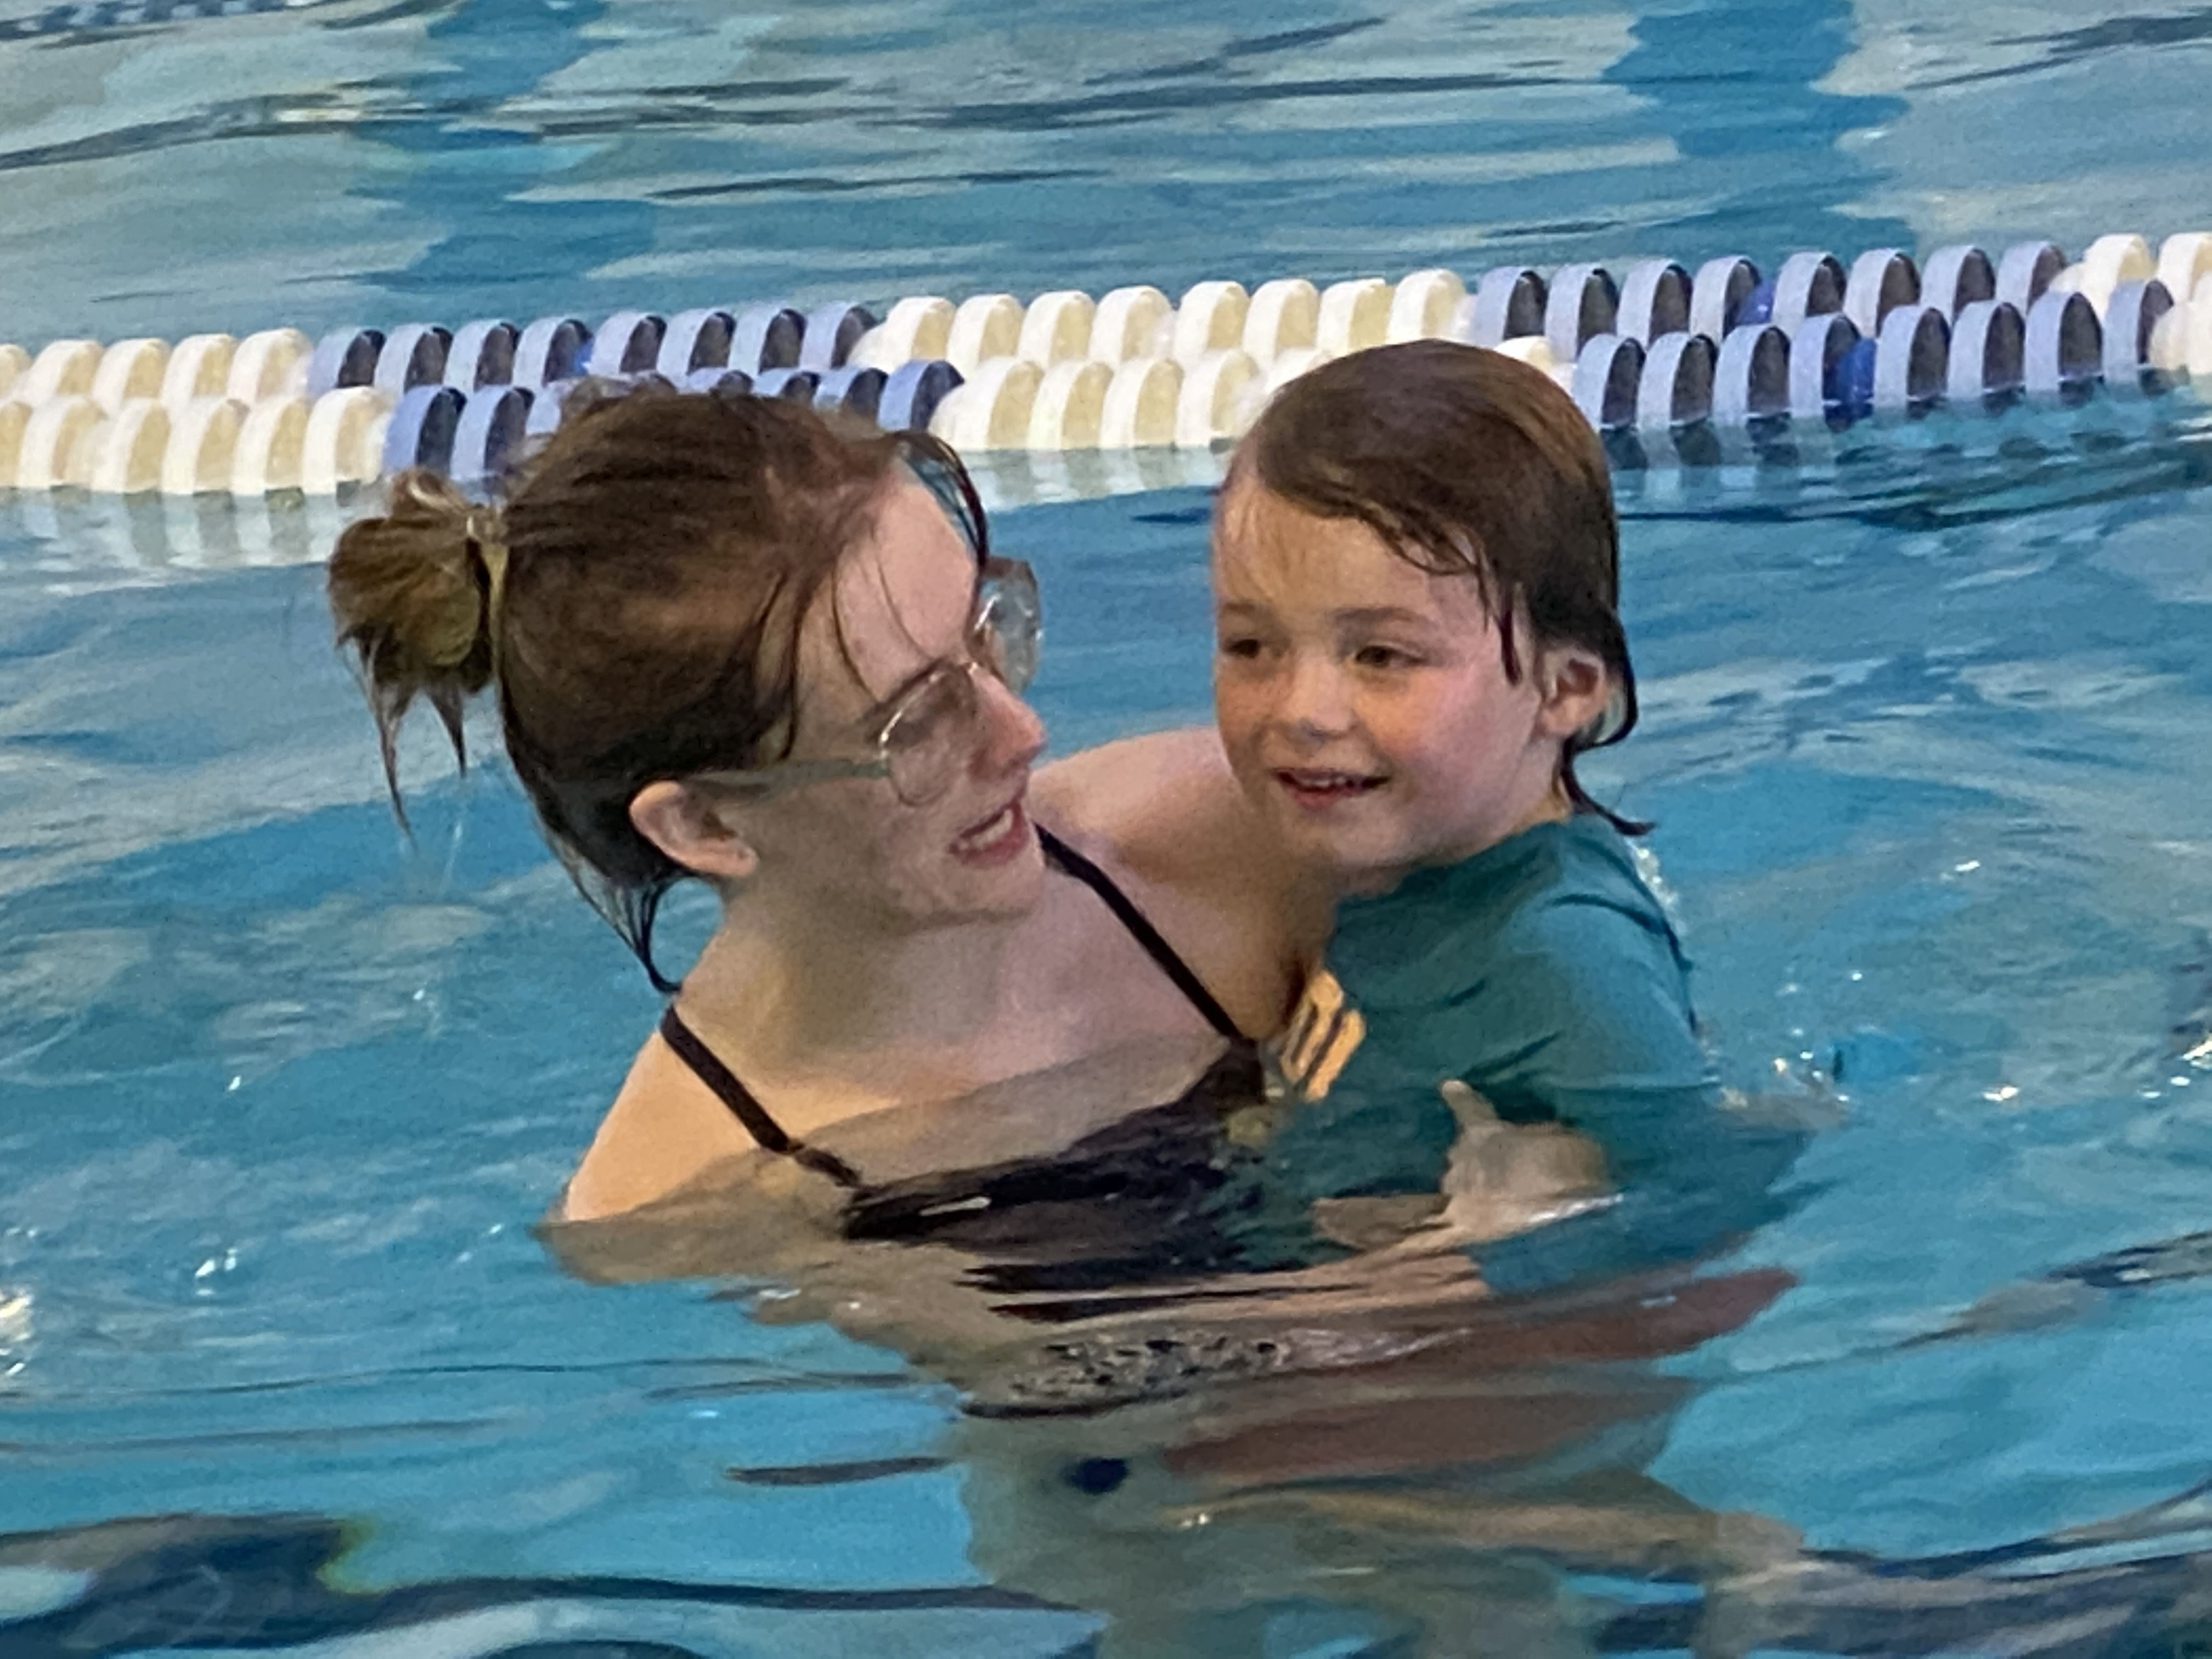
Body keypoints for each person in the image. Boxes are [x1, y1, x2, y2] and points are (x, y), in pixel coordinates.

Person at [325, 382, 1317, 1254]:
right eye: (917, 723)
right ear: (705, 828)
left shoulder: (1224, 850)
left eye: (985, 630)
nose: (1021, 732)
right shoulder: (689, 1204)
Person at [1204, 340, 1804, 1291]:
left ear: (1564, 689)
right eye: (1250, 645)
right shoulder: (1411, 860)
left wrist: (1516, 1241)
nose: (1301, 710)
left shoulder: (1562, 956)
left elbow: (1709, 1209)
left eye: (1382, 656)